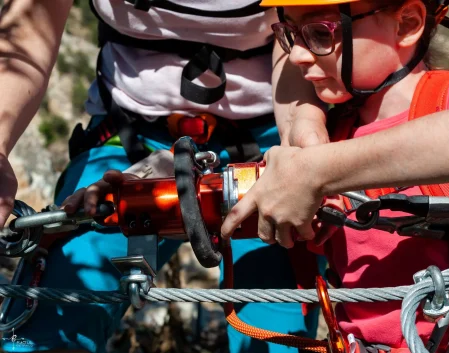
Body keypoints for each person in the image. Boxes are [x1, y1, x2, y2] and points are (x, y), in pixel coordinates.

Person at [0, 1, 328, 352]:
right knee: (46, 327)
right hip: (130, 140)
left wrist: (300, 154)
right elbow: (29, 32)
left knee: (279, 333)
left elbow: (297, 40)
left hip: (269, 145)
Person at [221, 0, 449, 351]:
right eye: (291, 36)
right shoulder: (332, 132)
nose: (297, 57)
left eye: (321, 34)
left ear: (407, 24)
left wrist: (319, 170)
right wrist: (307, 126)